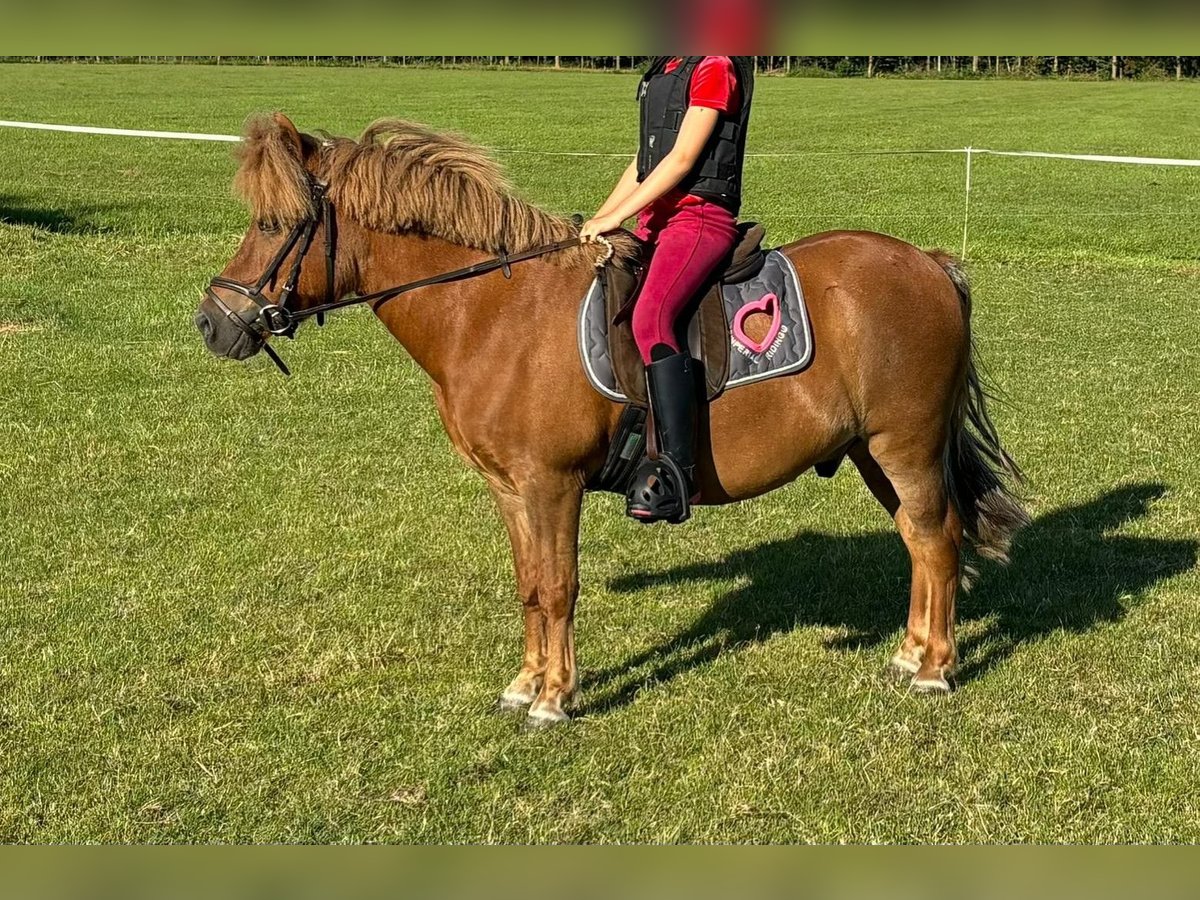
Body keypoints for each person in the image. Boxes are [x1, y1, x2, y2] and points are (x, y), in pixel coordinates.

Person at [581, 55, 755, 524]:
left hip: (698, 218)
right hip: (656, 221)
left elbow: (681, 159)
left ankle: (677, 470)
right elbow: (644, 161)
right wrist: (599, 219)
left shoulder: (715, 65)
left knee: (651, 315)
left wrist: (615, 218)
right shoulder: (668, 66)